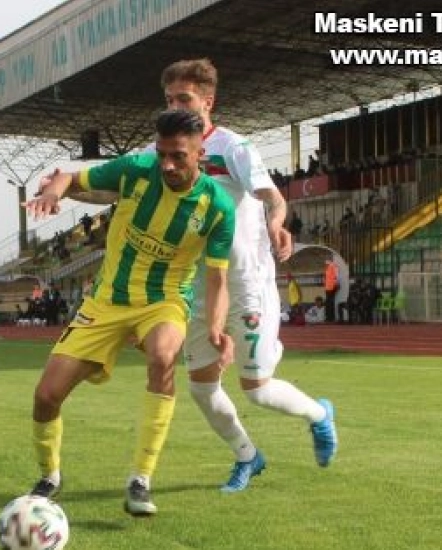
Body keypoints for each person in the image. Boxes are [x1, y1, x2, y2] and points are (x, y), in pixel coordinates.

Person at [25, 108, 235, 517]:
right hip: (106, 301)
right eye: (162, 154)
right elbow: (70, 178)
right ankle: (50, 475)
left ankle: (141, 478)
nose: (167, 164)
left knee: (162, 356)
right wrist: (54, 193)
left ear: (200, 153)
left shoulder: (218, 207)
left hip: (164, 301)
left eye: (178, 156)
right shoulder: (136, 168)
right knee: (46, 396)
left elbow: (217, 279)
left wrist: (215, 328)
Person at [155, 58, 337, 492]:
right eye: (169, 100)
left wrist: (276, 221)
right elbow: (114, 180)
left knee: (256, 388)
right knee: (201, 389)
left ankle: (318, 414)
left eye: (184, 99)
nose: (175, 107)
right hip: (199, 288)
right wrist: (65, 185)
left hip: (246, 283)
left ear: (208, 102)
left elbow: (272, 197)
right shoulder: (162, 150)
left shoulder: (233, 147)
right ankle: (247, 456)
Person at [323, 256, 339, 322]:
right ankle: (330, 317)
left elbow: (336, 277)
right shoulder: (330, 267)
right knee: (329, 302)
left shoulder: (332, 266)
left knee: (329, 302)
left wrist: (335, 284)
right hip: (329, 287)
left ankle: (330, 317)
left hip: (331, 287)